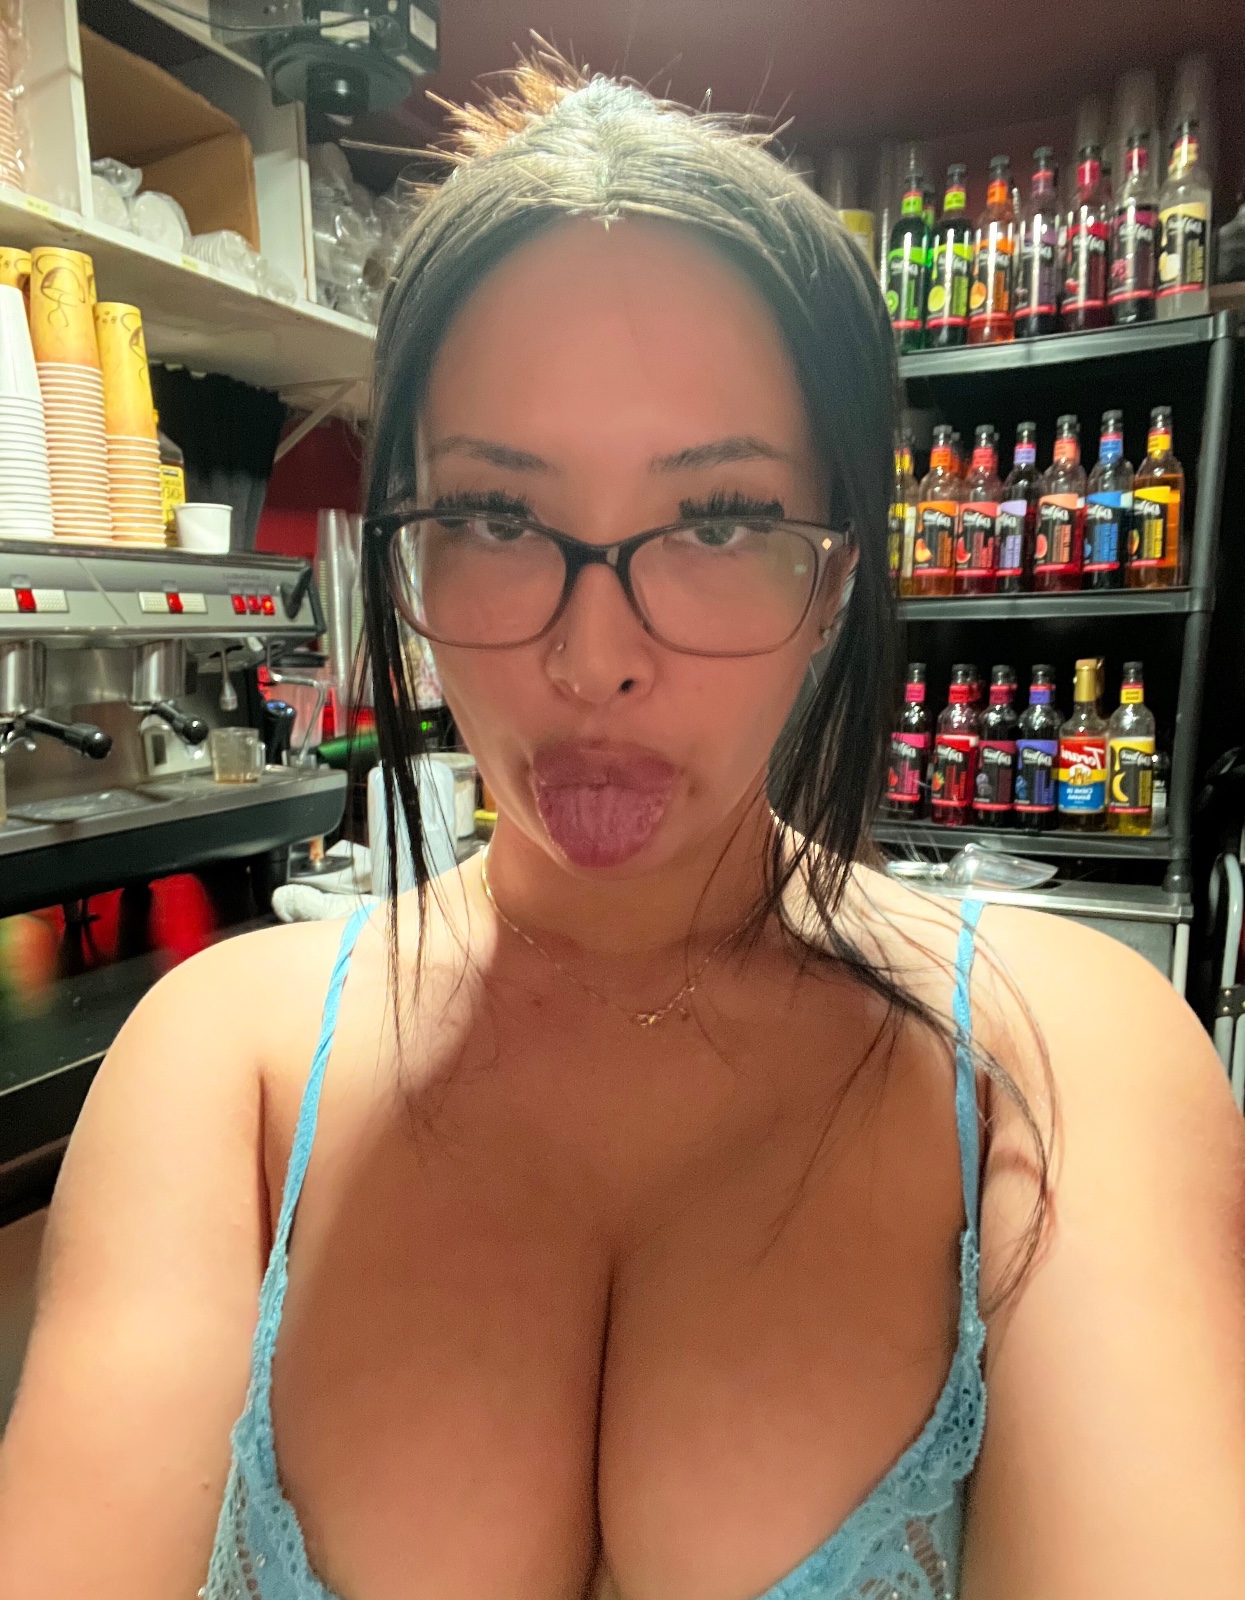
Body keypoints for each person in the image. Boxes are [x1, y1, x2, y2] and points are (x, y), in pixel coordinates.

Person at [2, 52, 1243, 1600]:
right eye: (496, 517)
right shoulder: (224, 1065)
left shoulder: (1059, 1067)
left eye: (718, 520)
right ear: (408, 552)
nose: (595, 660)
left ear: (836, 571)